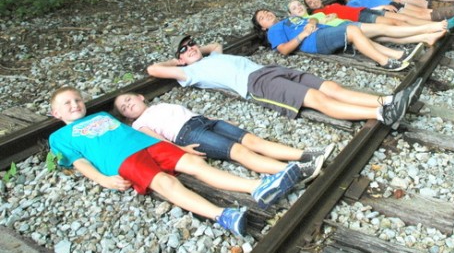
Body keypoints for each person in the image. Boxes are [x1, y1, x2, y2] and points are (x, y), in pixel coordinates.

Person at [48, 87, 301, 237]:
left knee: (195, 165)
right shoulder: (58, 136)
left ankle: (256, 186)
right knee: (165, 183)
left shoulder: (102, 114)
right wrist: (103, 179)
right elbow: (79, 162)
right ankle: (222, 215)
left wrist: (172, 145)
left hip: (150, 146)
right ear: (56, 113)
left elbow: (137, 131)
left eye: (77, 100)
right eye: (67, 103)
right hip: (122, 160)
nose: (75, 104)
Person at [147, 37, 414, 127]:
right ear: (180, 61)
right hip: (256, 85)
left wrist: (196, 51)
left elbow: (216, 44)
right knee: (317, 100)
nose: (191, 48)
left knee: (330, 87)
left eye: (191, 44)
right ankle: (380, 113)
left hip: (270, 69)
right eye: (184, 49)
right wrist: (180, 62)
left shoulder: (210, 56)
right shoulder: (188, 73)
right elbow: (153, 69)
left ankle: (386, 100)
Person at [114, 92, 334, 183]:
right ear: (126, 117)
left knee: (252, 140)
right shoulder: (139, 123)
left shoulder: (160, 104)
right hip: (187, 134)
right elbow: (157, 139)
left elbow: (187, 113)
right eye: (124, 109)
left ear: (140, 97)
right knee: (239, 152)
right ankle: (295, 171)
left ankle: (307, 155)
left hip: (203, 121)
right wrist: (181, 150)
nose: (128, 106)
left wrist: (215, 119)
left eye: (129, 100)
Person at [252, 9, 415, 71]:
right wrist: (303, 34)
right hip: (315, 41)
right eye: (262, 17)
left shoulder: (287, 20)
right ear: (263, 27)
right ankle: (385, 62)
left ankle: (398, 54)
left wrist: (311, 22)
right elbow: (284, 50)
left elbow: (313, 20)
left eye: (266, 12)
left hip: (322, 32)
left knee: (355, 31)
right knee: (352, 30)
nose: (266, 14)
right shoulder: (273, 30)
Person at [287, 0, 449, 48]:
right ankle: (428, 30)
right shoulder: (315, 14)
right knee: (391, 26)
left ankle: (427, 34)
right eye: (310, 1)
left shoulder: (327, 8)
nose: (313, 2)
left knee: (392, 27)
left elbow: (344, 10)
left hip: (361, 14)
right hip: (357, 22)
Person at [303, 0, 454, 40]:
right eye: (310, 2)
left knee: (401, 18)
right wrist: (316, 20)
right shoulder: (318, 13)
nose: (314, 2)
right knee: (395, 23)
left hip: (365, 11)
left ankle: (433, 26)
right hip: (359, 18)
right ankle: (432, 29)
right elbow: (314, 20)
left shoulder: (332, 5)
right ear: (310, 7)